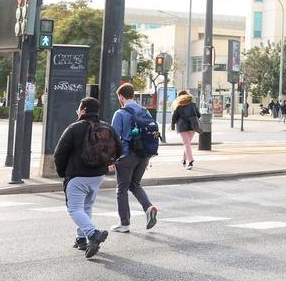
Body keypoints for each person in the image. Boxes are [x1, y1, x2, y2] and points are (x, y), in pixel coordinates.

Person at [52, 97, 115, 258]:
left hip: (78, 175)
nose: (77, 111)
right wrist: (106, 162)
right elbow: (118, 149)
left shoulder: (74, 128)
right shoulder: (106, 127)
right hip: (98, 176)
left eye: (79, 108)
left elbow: (59, 153)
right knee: (86, 207)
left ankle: (93, 234)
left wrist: (62, 172)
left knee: (74, 209)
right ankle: (81, 240)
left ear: (84, 110)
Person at [111, 82, 160, 233]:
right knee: (135, 184)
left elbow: (114, 138)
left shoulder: (120, 113)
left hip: (126, 156)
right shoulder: (144, 111)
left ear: (121, 96)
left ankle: (124, 223)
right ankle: (148, 207)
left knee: (122, 189)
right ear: (132, 95)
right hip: (144, 155)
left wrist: (111, 159)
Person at [171, 89, 200, 170]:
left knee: (187, 144)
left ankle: (190, 162)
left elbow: (174, 117)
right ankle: (184, 159)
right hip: (192, 126)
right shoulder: (193, 104)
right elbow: (199, 115)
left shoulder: (179, 106)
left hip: (183, 127)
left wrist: (173, 126)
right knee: (187, 144)